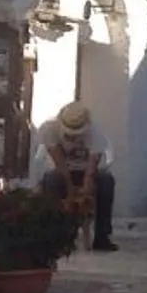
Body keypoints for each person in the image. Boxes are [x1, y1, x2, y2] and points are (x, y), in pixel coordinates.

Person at [36, 99, 117, 250]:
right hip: (62, 171)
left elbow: (92, 168)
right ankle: (52, 235)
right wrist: (70, 189)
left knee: (106, 182)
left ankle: (102, 236)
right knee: (50, 181)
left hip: (86, 170)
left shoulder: (96, 133)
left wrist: (87, 187)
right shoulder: (49, 129)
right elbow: (59, 162)